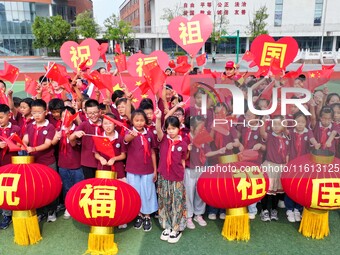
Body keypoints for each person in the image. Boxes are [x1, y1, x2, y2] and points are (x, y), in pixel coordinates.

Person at [155, 109, 188, 243]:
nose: (170, 131)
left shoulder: (183, 144)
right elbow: (158, 130)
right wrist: (158, 119)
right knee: (164, 201)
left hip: (177, 178)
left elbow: (183, 160)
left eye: (173, 128)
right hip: (164, 177)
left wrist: (181, 174)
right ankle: (166, 226)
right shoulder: (163, 140)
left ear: (179, 128)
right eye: (168, 128)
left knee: (177, 203)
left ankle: (176, 228)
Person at [22, 99, 57, 222]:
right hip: (34, 163)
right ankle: (41, 211)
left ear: (46, 112)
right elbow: (25, 139)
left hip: (48, 162)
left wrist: (33, 148)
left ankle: (52, 210)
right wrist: (23, 144)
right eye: (34, 112)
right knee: (37, 188)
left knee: (50, 187)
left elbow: (47, 144)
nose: (36, 115)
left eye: (39, 112)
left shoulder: (50, 127)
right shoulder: (30, 125)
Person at [124, 109, 158, 232]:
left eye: (141, 120)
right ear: (132, 121)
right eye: (136, 121)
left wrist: (155, 170)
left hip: (147, 169)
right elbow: (126, 140)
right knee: (135, 192)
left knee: (147, 192)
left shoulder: (149, 134)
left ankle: (147, 215)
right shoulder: (129, 132)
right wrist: (130, 136)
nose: (139, 123)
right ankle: (138, 214)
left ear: (145, 121)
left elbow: (153, 152)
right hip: (133, 169)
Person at [285, 111, 320, 222]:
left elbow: (313, 140)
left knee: (301, 187)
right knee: (290, 187)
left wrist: (316, 144)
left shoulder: (308, 132)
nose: (300, 124)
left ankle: (297, 209)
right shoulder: (291, 132)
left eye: (302, 122)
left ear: (306, 123)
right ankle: (289, 209)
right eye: (297, 122)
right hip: (292, 164)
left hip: (304, 165)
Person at [53, 106, 83, 220]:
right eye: (64, 116)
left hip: (77, 164)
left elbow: (75, 144)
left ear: (74, 117)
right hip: (63, 164)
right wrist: (56, 137)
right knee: (66, 187)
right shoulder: (58, 129)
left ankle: (78, 206)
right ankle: (68, 206)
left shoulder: (78, 129)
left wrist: (72, 136)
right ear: (60, 118)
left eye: (69, 115)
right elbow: (53, 143)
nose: (66, 118)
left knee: (78, 186)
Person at [259, 115, 289, 222]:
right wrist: (263, 120)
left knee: (276, 190)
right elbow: (262, 132)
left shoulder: (286, 138)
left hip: (280, 167)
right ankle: (264, 210)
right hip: (270, 166)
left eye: (279, 124)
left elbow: (287, 153)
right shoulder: (270, 136)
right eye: (274, 124)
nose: (276, 127)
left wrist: (286, 165)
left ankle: (274, 210)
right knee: (267, 190)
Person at [69, 99, 103, 179]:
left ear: (99, 111)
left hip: (104, 161)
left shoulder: (106, 124)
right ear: (86, 114)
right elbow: (71, 138)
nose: (93, 115)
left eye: (95, 112)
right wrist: (75, 134)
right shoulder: (84, 125)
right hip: (88, 162)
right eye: (90, 113)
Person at [0, 104, 21, 229]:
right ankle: (6, 213)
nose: (0, 120)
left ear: (9, 115)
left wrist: (11, 144)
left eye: (1, 117)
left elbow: (21, 145)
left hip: (12, 164)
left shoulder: (16, 128)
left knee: (12, 188)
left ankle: (14, 210)